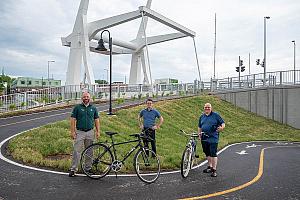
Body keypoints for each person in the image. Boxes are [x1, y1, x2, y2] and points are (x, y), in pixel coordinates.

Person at [69, 91, 100, 177]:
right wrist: (72, 131)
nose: (86, 98)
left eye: (87, 97)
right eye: (84, 97)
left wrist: (98, 131)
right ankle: (73, 169)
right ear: (82, 98)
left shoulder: (93, 108)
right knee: (77, 150)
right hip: (80, 132)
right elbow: (72, 120)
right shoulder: (77, 108)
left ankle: (88, 168)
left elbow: (96, 120)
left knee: (89, 151)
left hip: (90, 132)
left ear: (90, 98)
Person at [198, 102, 225, 177]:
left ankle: (214, 170)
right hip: (204, 137)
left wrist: (222, 128)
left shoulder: (216, 115)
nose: (207, 108)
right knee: (207, 153)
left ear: (211, 108)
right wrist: (199, 134)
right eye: (205, 107)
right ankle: (209, 166)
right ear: (204, 108)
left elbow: (223, 123)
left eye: (208, 107)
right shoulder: (202, 117)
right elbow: (199, 127)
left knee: (213, 153)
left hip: (213, 137)